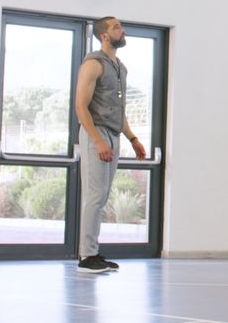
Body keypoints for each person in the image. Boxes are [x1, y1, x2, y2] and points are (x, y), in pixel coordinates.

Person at [74, 16, 147, 273]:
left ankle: (93, 251)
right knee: (95, 196)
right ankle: (86, 256)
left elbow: (119, 111)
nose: (122, 30)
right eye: (116, 27)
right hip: (97, 132)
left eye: (121, 26)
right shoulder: (93, 64)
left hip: (113, 133)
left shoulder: (120, 67)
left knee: (102, 197)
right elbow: (81, 107)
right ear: (104, 35)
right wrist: (97, 141)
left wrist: (133, 139)